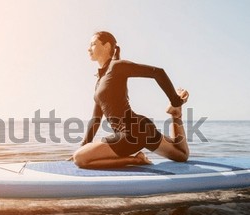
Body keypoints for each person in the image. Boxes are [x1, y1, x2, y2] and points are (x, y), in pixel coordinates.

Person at [72, 31, 189, 169]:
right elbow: (96, 119)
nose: (88, 48)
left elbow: (158, 72)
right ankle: (176, 115)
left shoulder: (117, 66)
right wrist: (84, 146)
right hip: (139, 129)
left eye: (93, 44)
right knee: (181, 155)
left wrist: (175, 100)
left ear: (106, 46)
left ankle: (135, 160)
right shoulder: (100, 81)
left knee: (79, 159)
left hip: (131, 132)